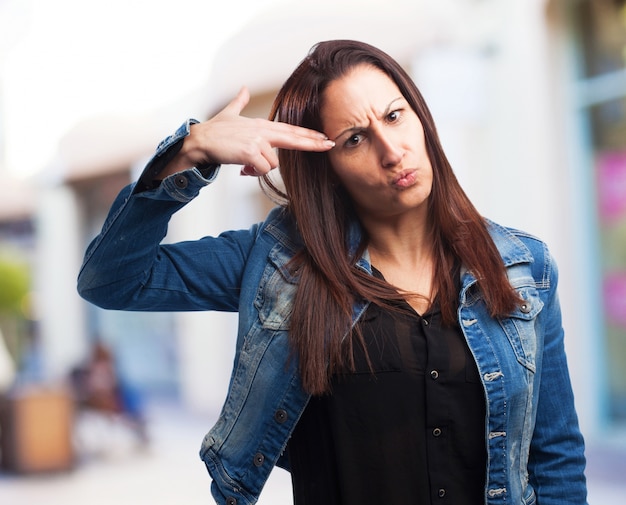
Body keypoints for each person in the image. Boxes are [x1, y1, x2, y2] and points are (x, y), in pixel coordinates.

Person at [77, 40, 588, 505]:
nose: (392, 152)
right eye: (355, 140)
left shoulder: (522, 266)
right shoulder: (282, 263)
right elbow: (112, 279)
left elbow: (555, 453)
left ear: (421, 118)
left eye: (394, 116)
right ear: (329, 167)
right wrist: (188, 152)